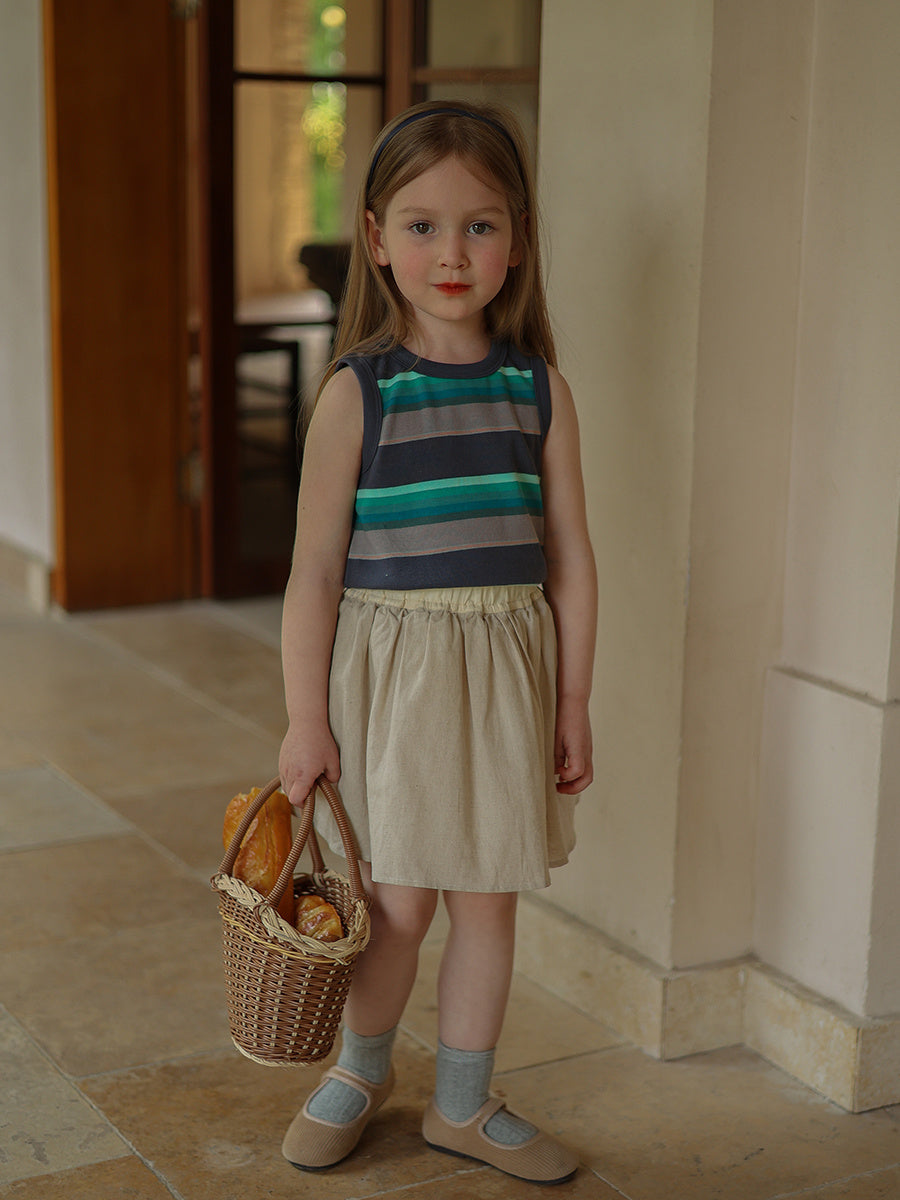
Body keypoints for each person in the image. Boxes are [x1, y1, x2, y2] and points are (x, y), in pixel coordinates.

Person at [278, 99, 596, 1186]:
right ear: (376, 237)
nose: (451, 252)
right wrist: (305, 720)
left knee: (487, 897)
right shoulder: (358, 395)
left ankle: (462, 1102)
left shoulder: (536, 391)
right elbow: (314, 572)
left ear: (518, 237)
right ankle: (364, 1071)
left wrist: (573, 702)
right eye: (421, 225)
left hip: (507, 678)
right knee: (399, 902)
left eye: (480, 225)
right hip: (396, 683)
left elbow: (573, 561)